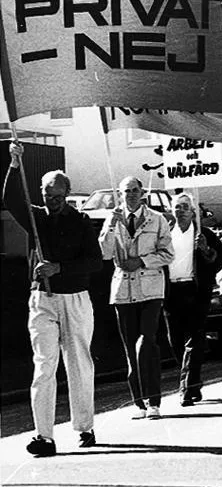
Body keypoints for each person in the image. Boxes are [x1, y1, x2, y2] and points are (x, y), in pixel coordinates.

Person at [3, 143, 103, 457]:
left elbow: (95, 262)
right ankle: (42, 435)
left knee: (78, 364)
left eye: (57, 196)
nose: (52, 202)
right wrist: (14, 164)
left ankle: (84, 426)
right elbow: (10, 199)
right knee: (44, 365)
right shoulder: (37, 218)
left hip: (74, 297)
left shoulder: (81, 221)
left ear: (67, 194)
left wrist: (61, 267)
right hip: (41, 299)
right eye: (47, 195)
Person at [99, 176, 174, 420]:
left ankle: (154, 401)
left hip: (150, 289)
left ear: (142, 193)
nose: (130, 195)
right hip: (123, 291)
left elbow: (168, 254)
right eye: (126, 191)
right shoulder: (114, 219)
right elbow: (104, 252)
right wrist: (110, 225)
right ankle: (139, 403)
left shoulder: (157, 219)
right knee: (130, 347)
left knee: (147, 342)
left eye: (134, 190)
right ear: (120, 194)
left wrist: (141, 261)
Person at [163, 193, 222, 407]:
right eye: (177, 207)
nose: (180, 211)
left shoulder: (204, 234)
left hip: (196, 290)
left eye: (184, 207)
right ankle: (194, 380)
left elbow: (219, 261)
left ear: (193, 212)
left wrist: (206, 250)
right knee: (176, 340)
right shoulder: (165, 235)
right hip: (171, 292)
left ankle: (186, 388)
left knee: (195, 338)